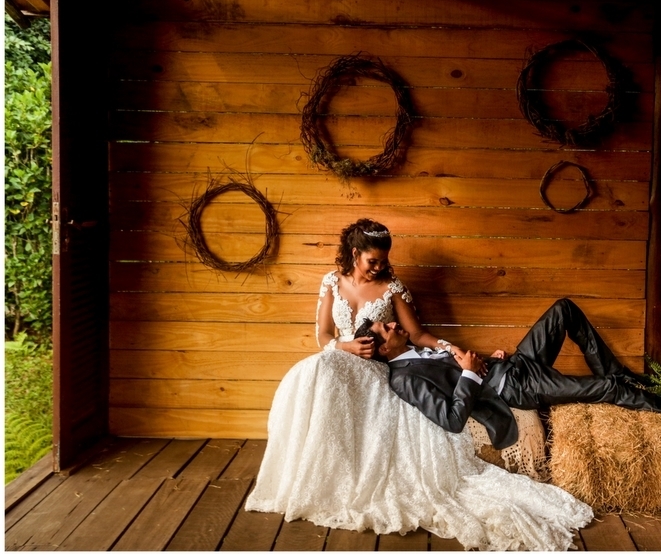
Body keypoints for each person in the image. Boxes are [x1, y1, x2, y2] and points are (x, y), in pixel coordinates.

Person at [245, 220, 593, 551]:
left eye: (384, 261)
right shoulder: (330, 283)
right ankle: (313, 473)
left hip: (377, 369)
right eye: (372, 261)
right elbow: (322, 336)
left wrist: (450, 348)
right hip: (342, 357)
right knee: (317, 368)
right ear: (354, 254)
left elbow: (417, 335)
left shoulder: (392, 288)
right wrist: (346, 346)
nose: (379, 267)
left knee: (327, 368)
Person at [361, 298, 661, 448]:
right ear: (380, 349)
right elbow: (451, 418)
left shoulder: (415, 349)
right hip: (517, 386)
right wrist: (473, 374)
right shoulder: (403, 378)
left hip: (511, 364)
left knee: (564, 309)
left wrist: (489, 360)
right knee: (607, 389)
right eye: (385, 330)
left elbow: (459, 364)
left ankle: (620, 373)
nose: (392, 325)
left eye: (389, 324)